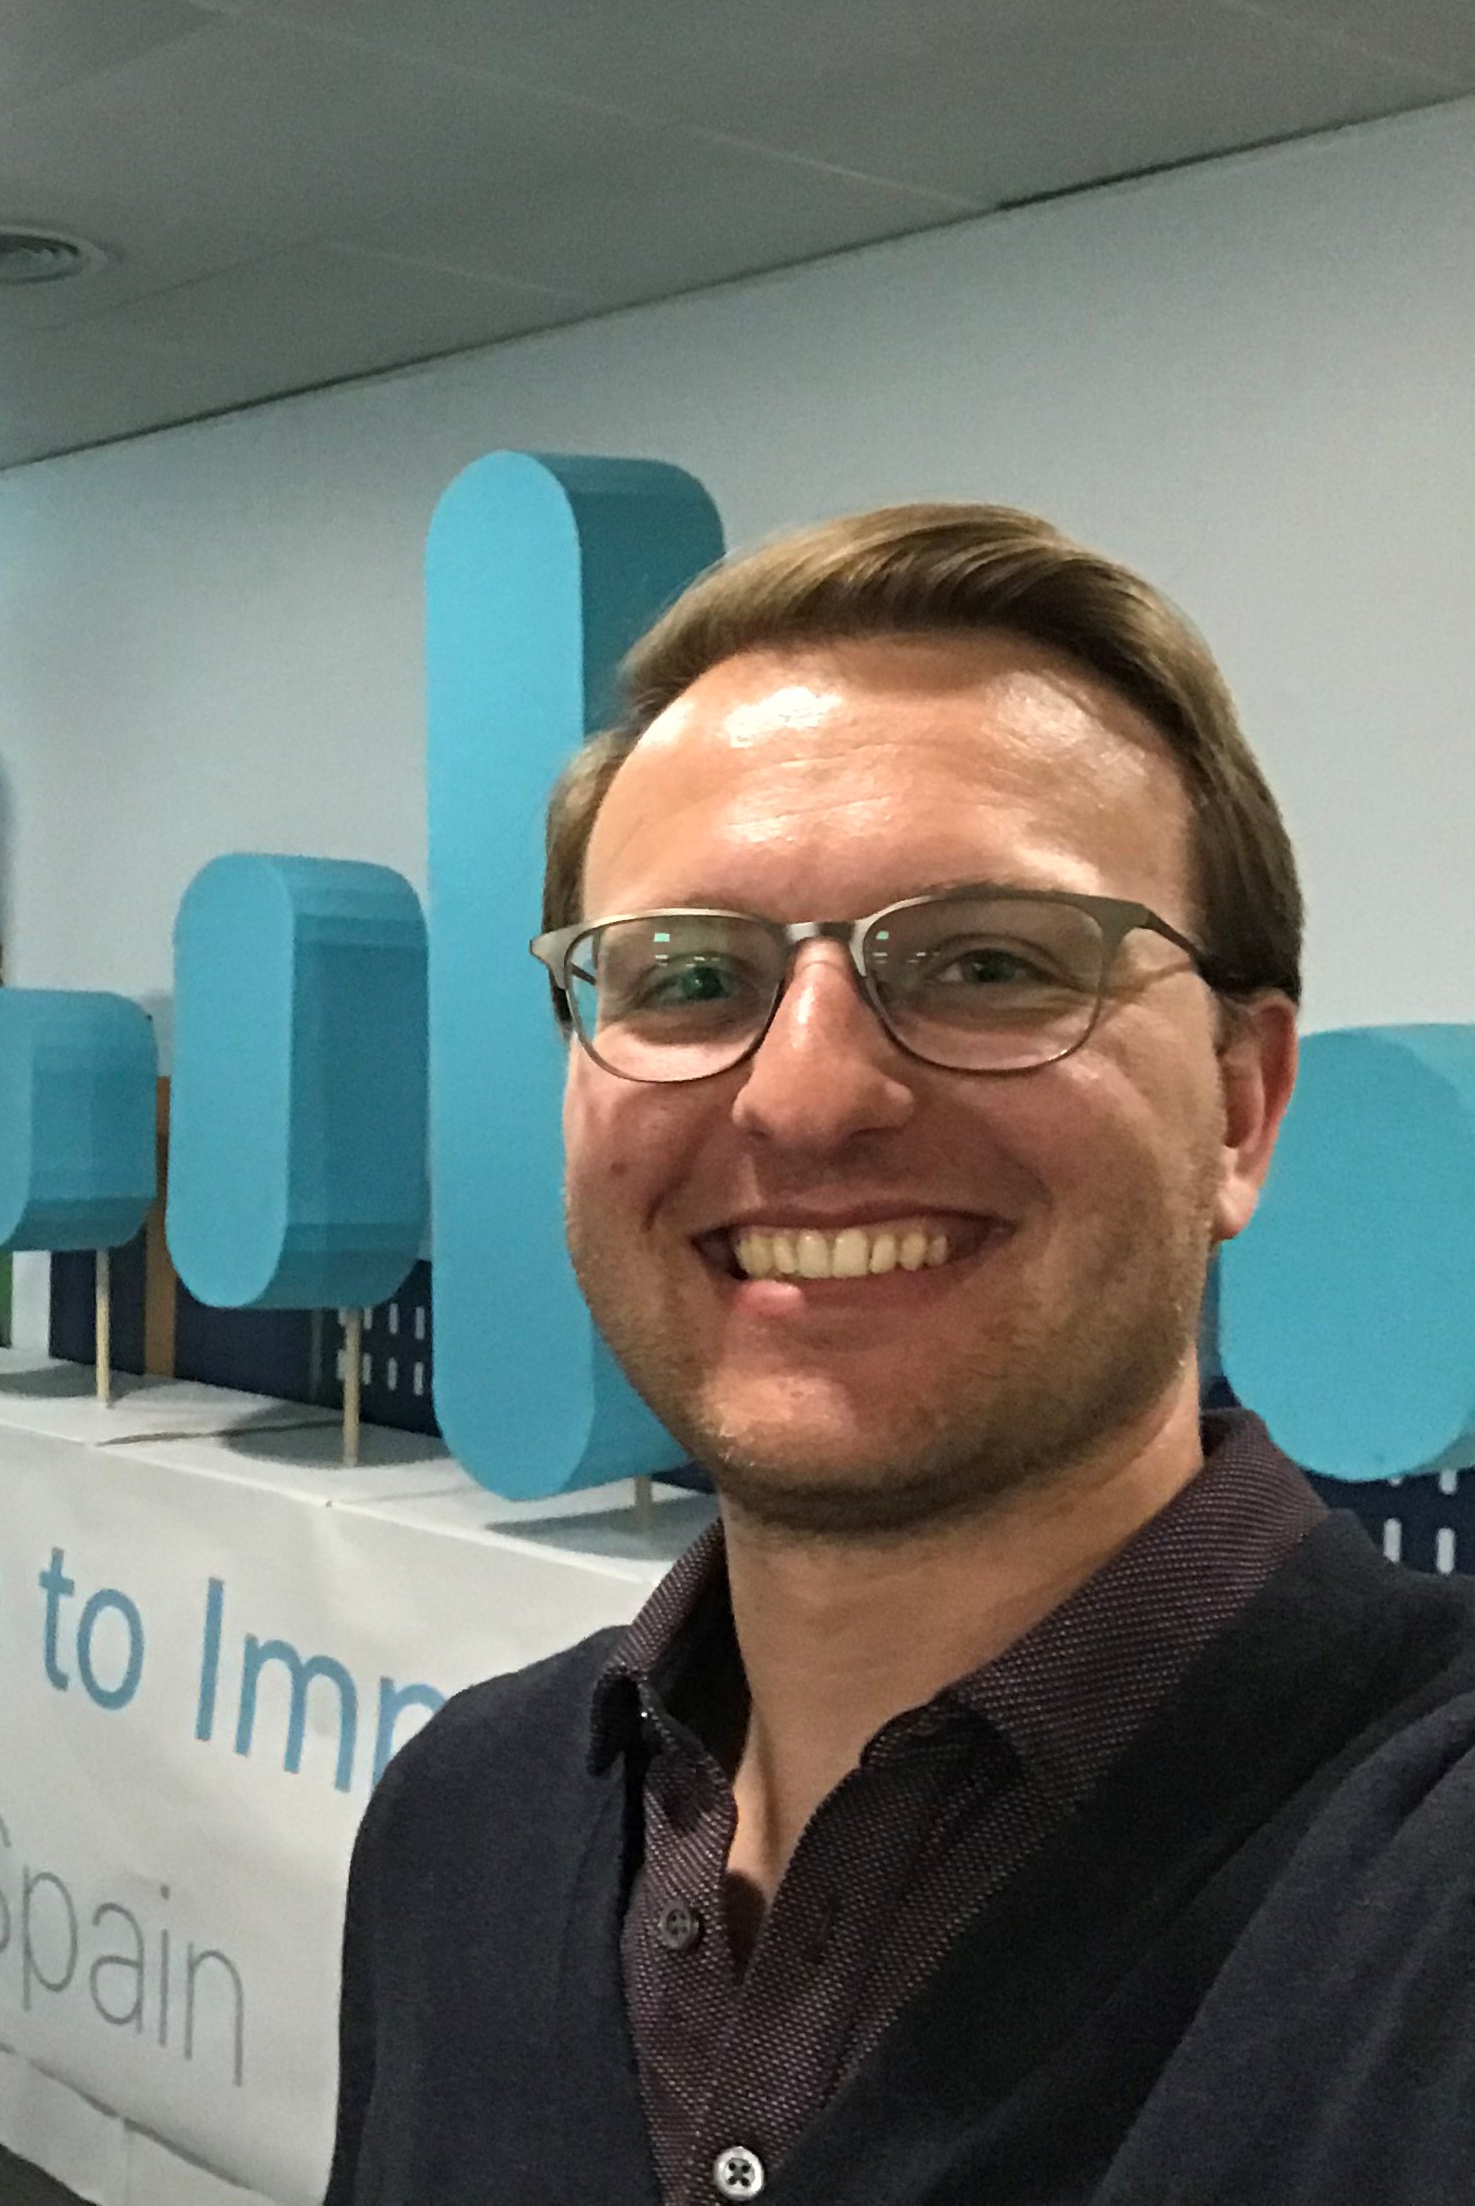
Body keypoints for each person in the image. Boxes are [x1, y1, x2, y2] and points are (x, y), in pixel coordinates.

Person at [326, 506, 1475, 2205]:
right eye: (690, 976)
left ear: (1242, 1105)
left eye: (992, 963)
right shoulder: (463, 1828)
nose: (804, 1094)